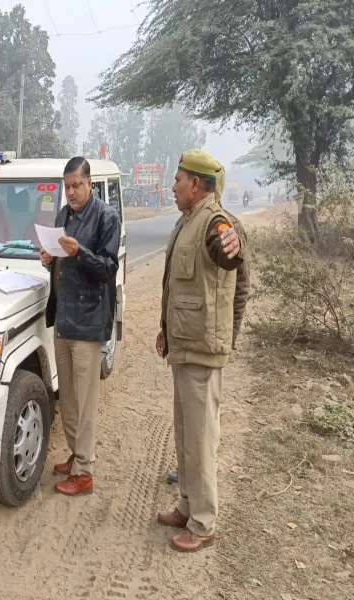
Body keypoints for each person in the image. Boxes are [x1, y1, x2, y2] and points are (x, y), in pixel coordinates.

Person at [155, 150, 245, 553]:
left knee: (202, 439)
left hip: (204, 352)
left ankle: (204, 523)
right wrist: (165, 332)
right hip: (184, 348)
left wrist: (233, 245)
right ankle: (187, 506)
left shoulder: (214, 222)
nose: (172, 187)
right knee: (186, 435)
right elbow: (176, 288)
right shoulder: (186, 220)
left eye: (177, 179)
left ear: (196, 184)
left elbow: (230, 256)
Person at [41, 156, 121, 496]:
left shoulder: (106, 217)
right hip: (64, 318)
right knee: (69, 397)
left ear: (89, 183)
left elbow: (107, 268)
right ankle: (76, 455)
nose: (71, 192)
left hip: (88, 322)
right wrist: (49, 259)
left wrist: (79, 253)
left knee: (86, 401)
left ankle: (85, 471)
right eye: (67, 185)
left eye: (77, 185)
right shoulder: (63, 216)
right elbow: (60, 266)